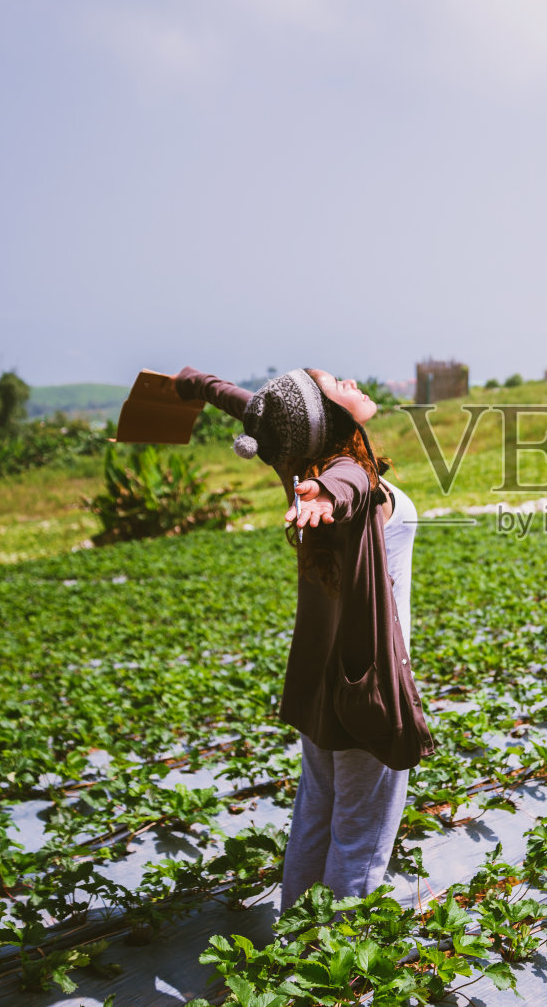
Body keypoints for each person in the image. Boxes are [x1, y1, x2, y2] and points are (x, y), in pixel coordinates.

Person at [171, 366, 435, 911]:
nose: (352, 382)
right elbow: (352, 486)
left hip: (318, 675)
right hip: (367, 677)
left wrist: (196, 383)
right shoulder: (345, 477)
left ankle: (294, 941)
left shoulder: (291, 456)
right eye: (337, 383)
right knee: (361, 832)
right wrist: (327, 496)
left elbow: (256, 411)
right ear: (327, 417)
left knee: (317, 807)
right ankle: (332, 969)